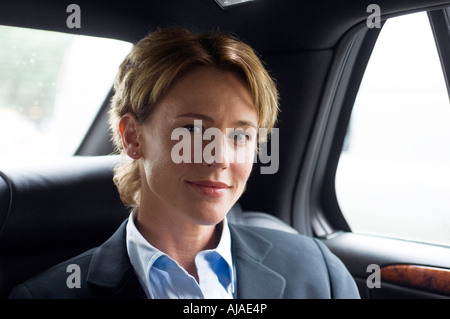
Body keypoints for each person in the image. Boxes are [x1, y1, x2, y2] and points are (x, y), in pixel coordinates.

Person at [9, 27, 360, 299]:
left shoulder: (319, 271)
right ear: (133, 136)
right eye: (193, 131)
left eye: (240, 136)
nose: (220, 158)